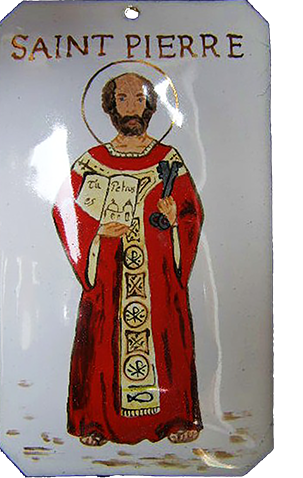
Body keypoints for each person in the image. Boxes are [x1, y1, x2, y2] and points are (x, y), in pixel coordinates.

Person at [53, 73, 204, 446]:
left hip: (158, 274)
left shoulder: (168, 160)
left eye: (140, 98)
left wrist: (174, 219)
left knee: (167, 333)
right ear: (110, 106)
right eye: (122, 98)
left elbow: (191, 213)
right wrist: (98, 232)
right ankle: (96, 420)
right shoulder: (92, 162)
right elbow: (65, 211)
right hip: (108, 272)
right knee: (101, 336)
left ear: (151, 105)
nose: (132, 107)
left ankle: (174, 417)